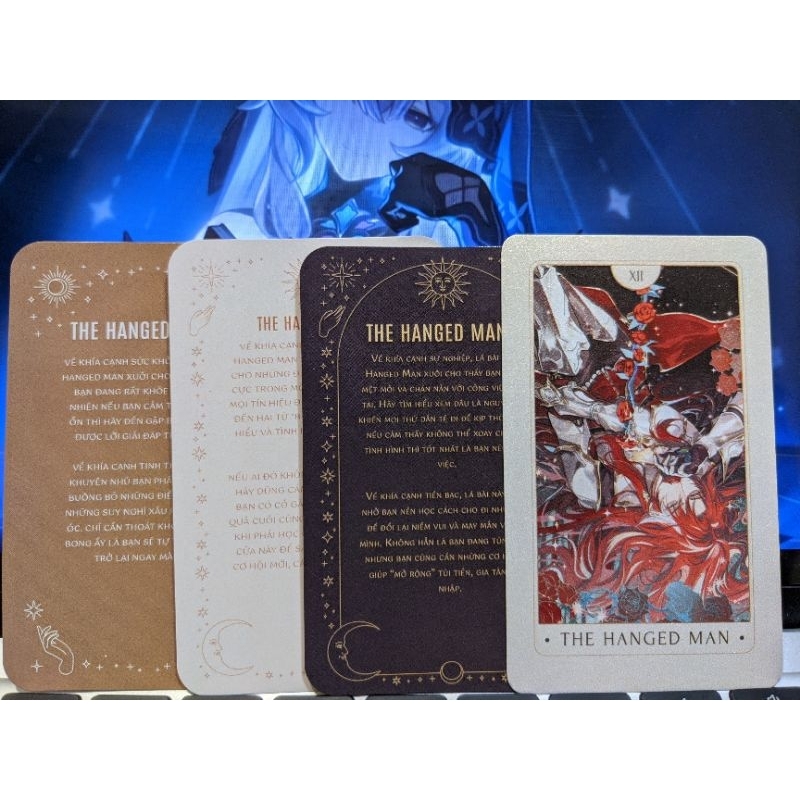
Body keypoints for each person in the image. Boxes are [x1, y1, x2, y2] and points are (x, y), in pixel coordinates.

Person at [202, 101, 532, 245]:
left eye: (418, 119)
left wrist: (477, 216)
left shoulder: (432, 226)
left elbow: (499, 329)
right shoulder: (238, 227)